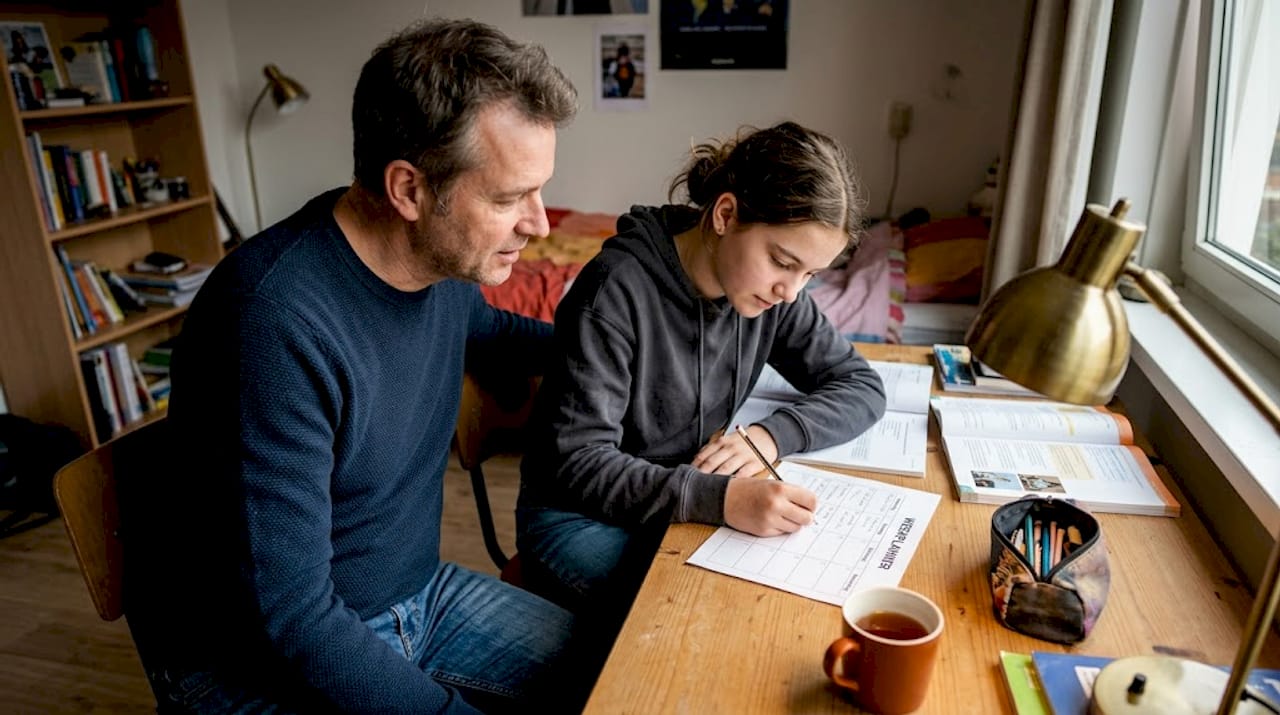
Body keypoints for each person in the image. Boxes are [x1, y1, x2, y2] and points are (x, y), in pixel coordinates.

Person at [126, 18, 592, 714]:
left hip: (414, 598)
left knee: (621, 668)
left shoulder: (442, 273)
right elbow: (293, 618)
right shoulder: (271, 322)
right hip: (256, 662)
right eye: (506, 198)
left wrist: (634, 340)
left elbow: (498, 332)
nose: (539, 223)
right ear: (408, 189)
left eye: (538, 191)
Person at [516, 121, 888, 623]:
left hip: (674, 495)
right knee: (714, 615)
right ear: (726, 214)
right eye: (783, 262)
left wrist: (771, 436)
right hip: (577, 517)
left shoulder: (768, 295)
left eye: (810, 275)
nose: (791, 291)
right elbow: (580, 462)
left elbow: (861, 384)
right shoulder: (615, 292)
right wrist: (722, 498)